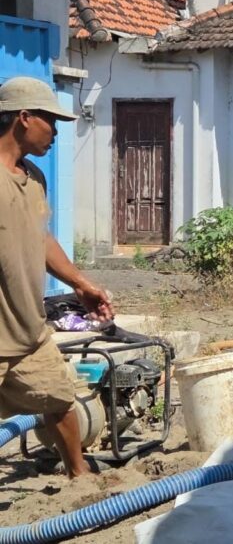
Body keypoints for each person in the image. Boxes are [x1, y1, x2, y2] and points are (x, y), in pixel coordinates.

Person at [0, 76, 114, 478]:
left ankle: (79, 478)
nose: (57, 130)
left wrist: (81, 284)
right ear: (24, 118)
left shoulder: (34, 179)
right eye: (51, 120)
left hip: (28, 333)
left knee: (60, 399)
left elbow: (41, 237)